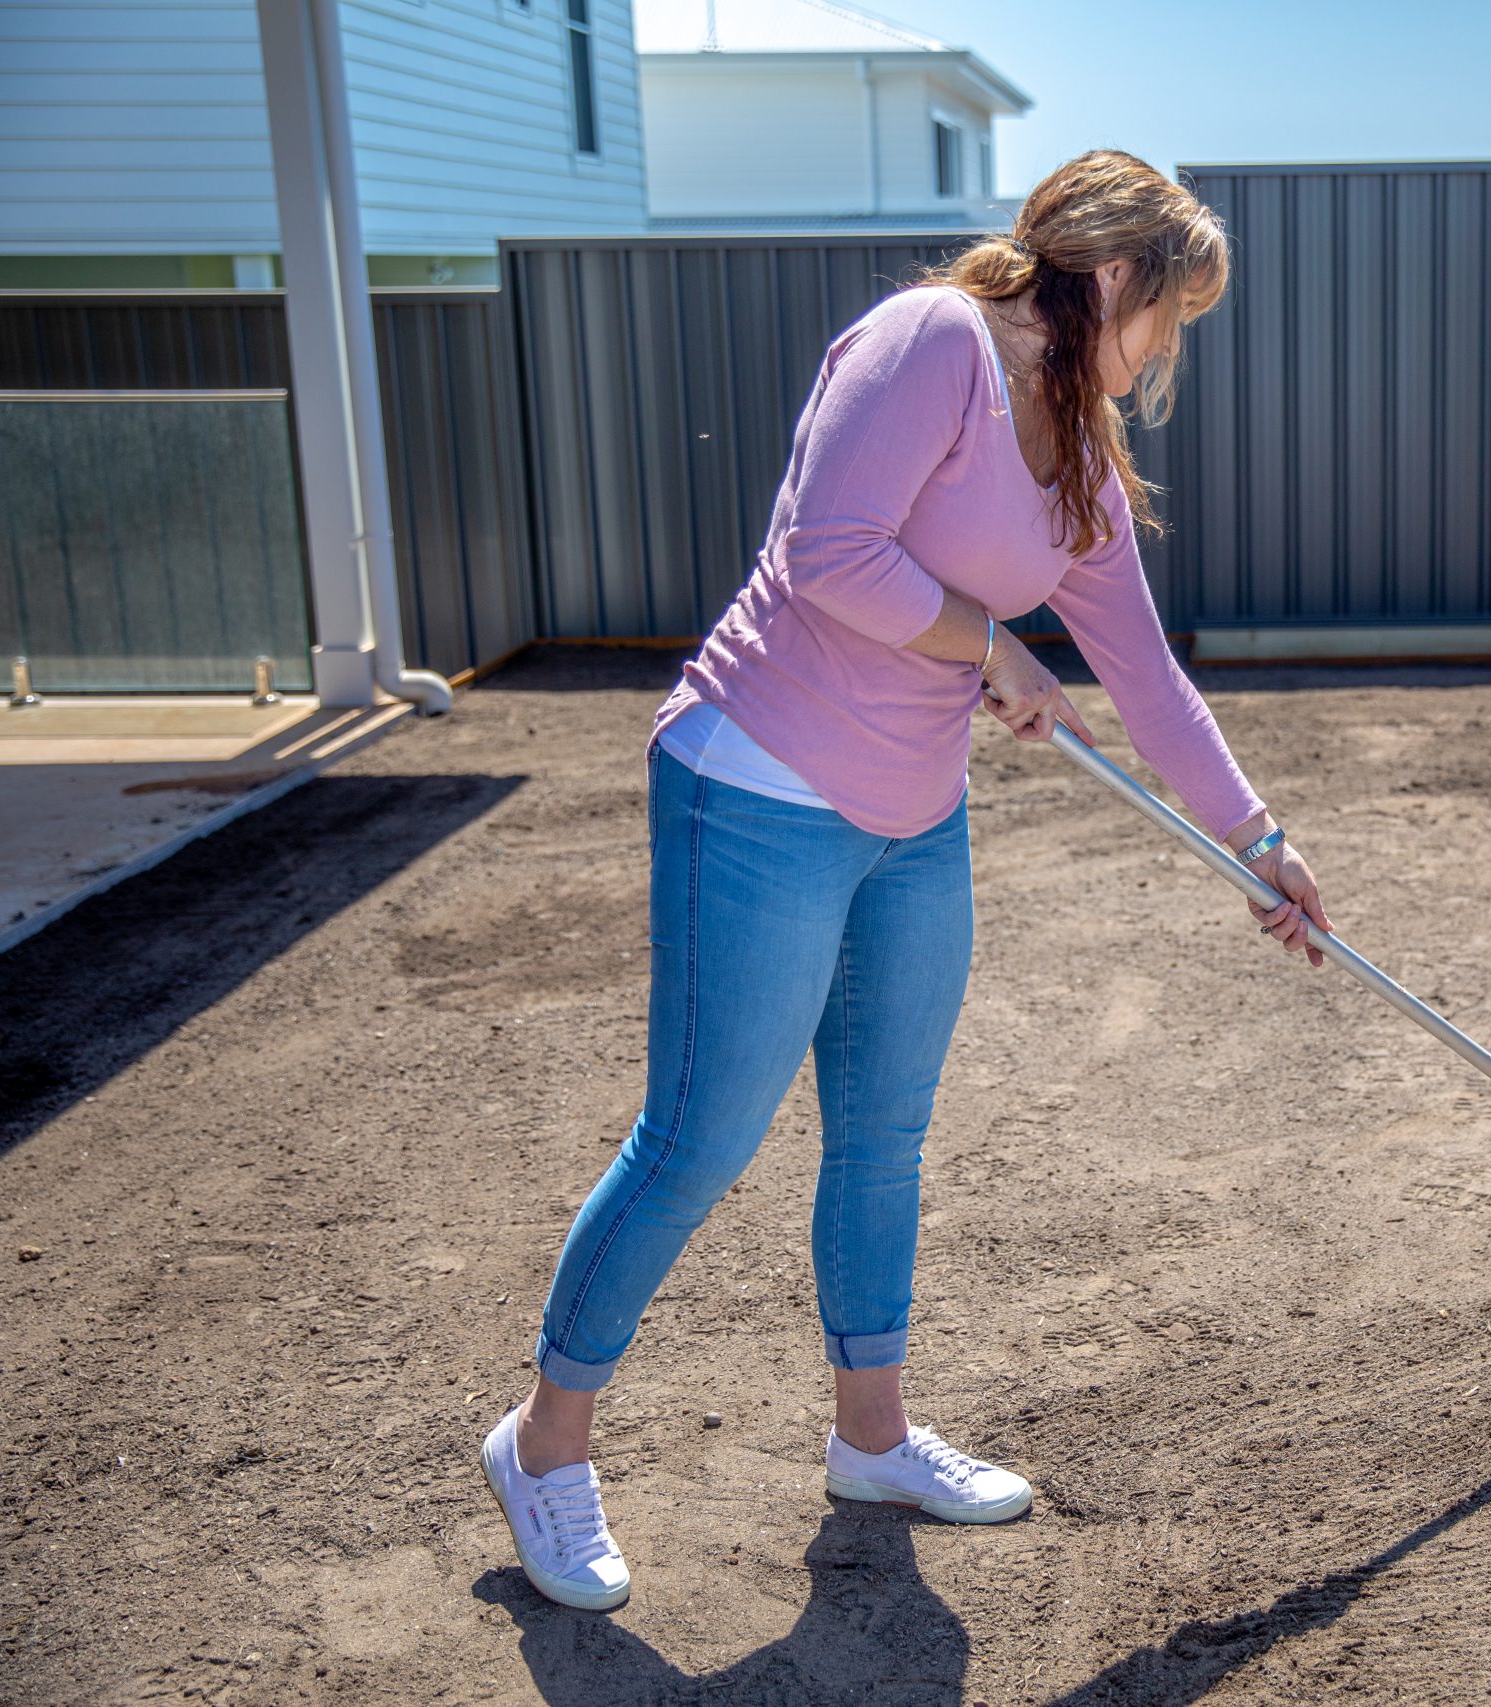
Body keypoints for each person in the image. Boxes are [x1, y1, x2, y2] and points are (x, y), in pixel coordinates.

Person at [478, 150, 1333, 1612]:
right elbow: (826, 552)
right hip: (758, 781)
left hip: (913, 820)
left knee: (883, 1137)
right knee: (697, 1143)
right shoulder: (932, 340)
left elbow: (1145, 673)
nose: (1166, 352)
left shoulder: (1080, 459)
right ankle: (543, 1446)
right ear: (1111, 278)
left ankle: (870, 1441)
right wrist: (989, 645)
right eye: (1169, 317)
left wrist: (1258, 844)